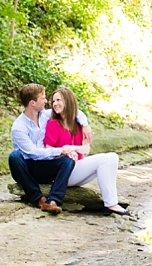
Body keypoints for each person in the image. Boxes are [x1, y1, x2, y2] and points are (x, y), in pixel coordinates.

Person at [45, 87, 130, 216]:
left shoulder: (79, 124)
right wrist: (64, 151)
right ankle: (111, 204)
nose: (55, 104)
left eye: (58, 100)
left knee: (113, 157)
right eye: (53, 101)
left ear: (68, 101)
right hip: (63, 172)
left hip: (78, 169)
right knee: (103, 159)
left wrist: (72, 148)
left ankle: (111, 203)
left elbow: (86, 149)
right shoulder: (53, 123)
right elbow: (48, 149)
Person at [9, 83, 93, 214]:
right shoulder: (18, 127)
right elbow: (33, 153)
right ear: (32, 103)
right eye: (43, 98)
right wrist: (61, 150)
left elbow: (73, 111)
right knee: (14, 157)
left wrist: (85, 125)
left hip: (44, 167)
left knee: (67, 160)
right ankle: (39, 199)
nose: (47, 101)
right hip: (27, 168)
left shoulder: (45, 115)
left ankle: (53, 200)